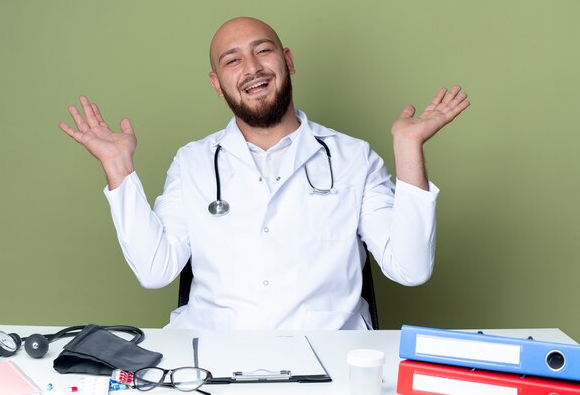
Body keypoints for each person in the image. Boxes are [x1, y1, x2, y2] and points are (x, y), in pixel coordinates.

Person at [59, 17, 470, 330]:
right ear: (217, 84)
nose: (252, 68)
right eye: (232, 60)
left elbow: (411, 269)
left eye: (263, 51)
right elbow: (155, 270)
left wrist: (408, 148)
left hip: (329, 362)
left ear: (287, 60)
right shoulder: (193, 162)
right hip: (212, 361)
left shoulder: (354, 157)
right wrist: (118, 167)